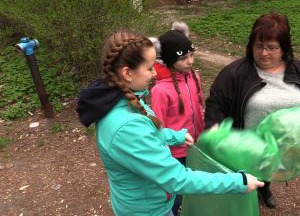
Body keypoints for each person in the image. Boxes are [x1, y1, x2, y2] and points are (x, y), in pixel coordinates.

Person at [75, 29, 264, 216]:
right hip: (147, 211)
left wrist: (175, 136)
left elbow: (148, 133)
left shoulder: (124, 98)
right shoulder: (126, 127)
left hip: (147, 200)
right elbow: (178, 179)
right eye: (149, 68)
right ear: (127, 73)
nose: (155, 74)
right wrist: (238, 182)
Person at [204, 12, 300, 209]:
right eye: (259, 46)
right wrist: (213, 128)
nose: (264, 53)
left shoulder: (299, 71)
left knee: (266, 172)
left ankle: (264, 187)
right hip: (243, 149)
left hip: (280, 148)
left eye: (272, 47)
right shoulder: (235, 73)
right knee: (241, 190)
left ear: (284, 48)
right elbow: (216, 104)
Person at [150, 22, 204, 216]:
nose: (190, 61)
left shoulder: (192, 77)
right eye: (184, 58)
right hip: (175, 151)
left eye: (192, 55)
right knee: (176, 191)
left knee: (191, 184)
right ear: (169, 59)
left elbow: (197, 106)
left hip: (193, 144)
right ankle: (173, 210)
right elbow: (158, 126)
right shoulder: (160, 90)